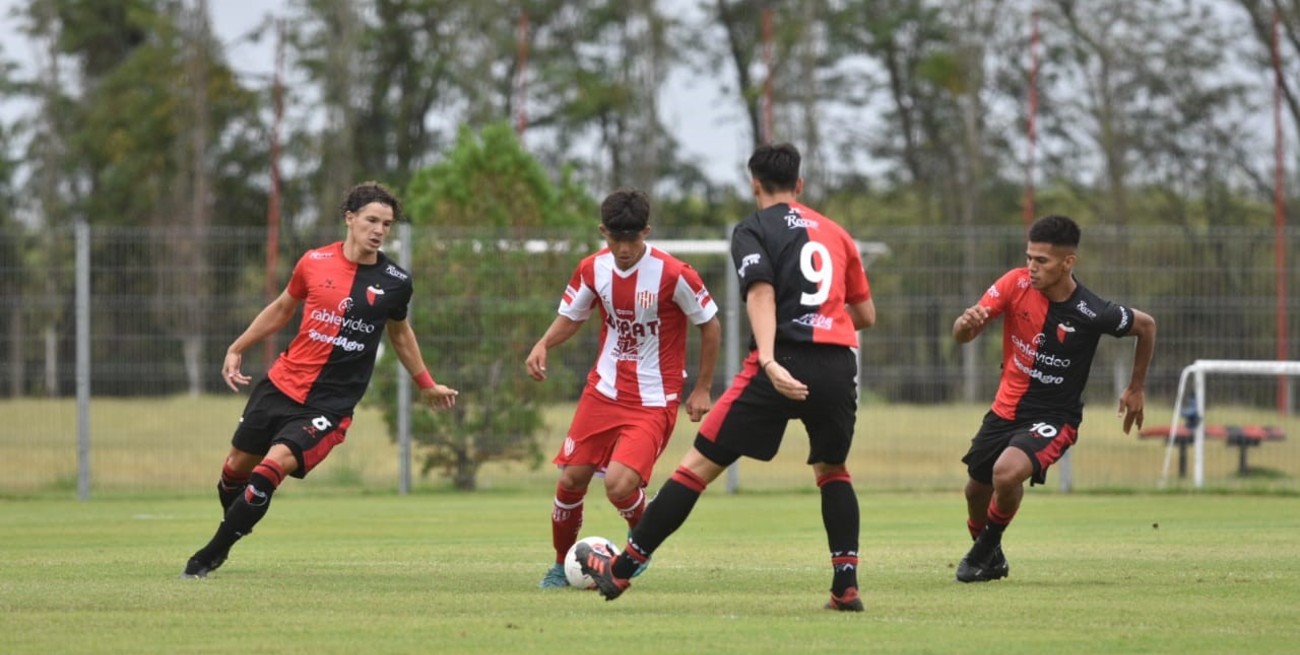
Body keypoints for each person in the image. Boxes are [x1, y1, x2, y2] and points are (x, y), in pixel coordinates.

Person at [576, 143, 877, 611]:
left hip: (780, 362)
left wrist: (774, 359)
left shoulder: (753, 229)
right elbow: (866, 314)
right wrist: (822, 334)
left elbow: (761, 293)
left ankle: (621, 571)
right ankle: (846, 585)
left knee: (696, 469)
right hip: (838, 364)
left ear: (754, 183)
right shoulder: (837, 234)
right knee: (833, 471)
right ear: (799, 185)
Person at [181, 181, 459, 578]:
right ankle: (236, 525)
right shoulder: (313, 262)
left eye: (387, 224)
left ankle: (209, 555)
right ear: (350, 218)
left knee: (269, 470)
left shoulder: (396, 281)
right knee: (234, 470)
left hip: (329, 404)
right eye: (371, 220)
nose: (379, 230)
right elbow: (281, 309)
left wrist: (426, 383)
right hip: (280, 385)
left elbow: (400, 333)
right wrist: (237, 346)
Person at [526, 188, 721, 589]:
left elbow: (710, 325)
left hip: (653, 400)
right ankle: (562, 566)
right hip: (604, 390)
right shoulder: (592, 269)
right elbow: (572, 316)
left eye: (633, 239)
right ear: (603, 232)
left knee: (618, 485)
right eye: (616, 239)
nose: (625, 248)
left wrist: (702, 388)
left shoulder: (674, 274)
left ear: (646, 232)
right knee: (570, 480)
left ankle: (639, 546)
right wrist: (544, 343)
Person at [951, 214, 1156, 583]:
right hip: (1005, 410)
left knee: (1006, 473)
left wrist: (1136, 386)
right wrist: (964, 327)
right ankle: (992, 558)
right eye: (1029, 257)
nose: (1031, 267)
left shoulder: (1092, 311)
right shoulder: (1014, 284)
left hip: (1054, 417)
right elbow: (964, 333)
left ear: (1067, 263)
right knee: (974, 491)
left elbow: (1146, 326)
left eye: (1041, 261)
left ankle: (982, 550)